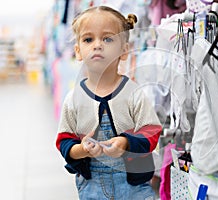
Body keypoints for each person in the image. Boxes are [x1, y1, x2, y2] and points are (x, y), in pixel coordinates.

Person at [55, 6, 162, 200]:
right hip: (92, 186)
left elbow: (151, 132)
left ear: (124, 50)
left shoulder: (134, 93)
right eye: (89, 39)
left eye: (107, 39)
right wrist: (82, 149)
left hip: (134, 186)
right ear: (78, 51)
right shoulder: (74, 99)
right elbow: (64, 141)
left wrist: (125, 142)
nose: (97, 45)